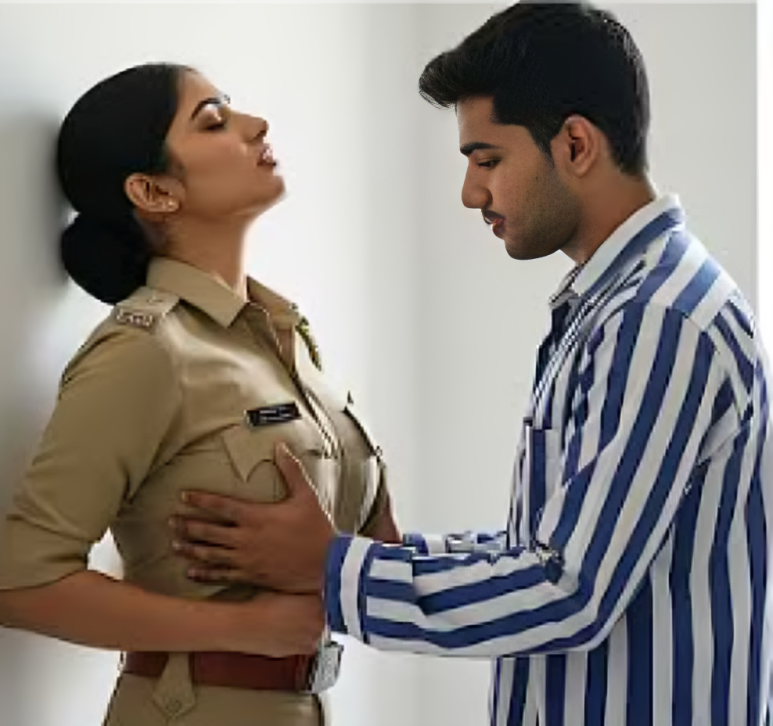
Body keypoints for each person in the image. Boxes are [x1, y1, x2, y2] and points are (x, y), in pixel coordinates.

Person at [171, 3, 773, 725]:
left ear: (575, 145)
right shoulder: (627, 302)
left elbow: (567, 590)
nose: (470, 193)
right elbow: (550, 550)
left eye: (487, 160)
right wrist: (386, 554)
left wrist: (333, 569)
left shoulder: (655, 318)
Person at [0, 62, 399, 726]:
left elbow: (371, 551)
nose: (256, 125)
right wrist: (242, 629)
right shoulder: (145, 351)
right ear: (154, 191)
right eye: (213, 121)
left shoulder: (289, 342)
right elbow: (22, 581)